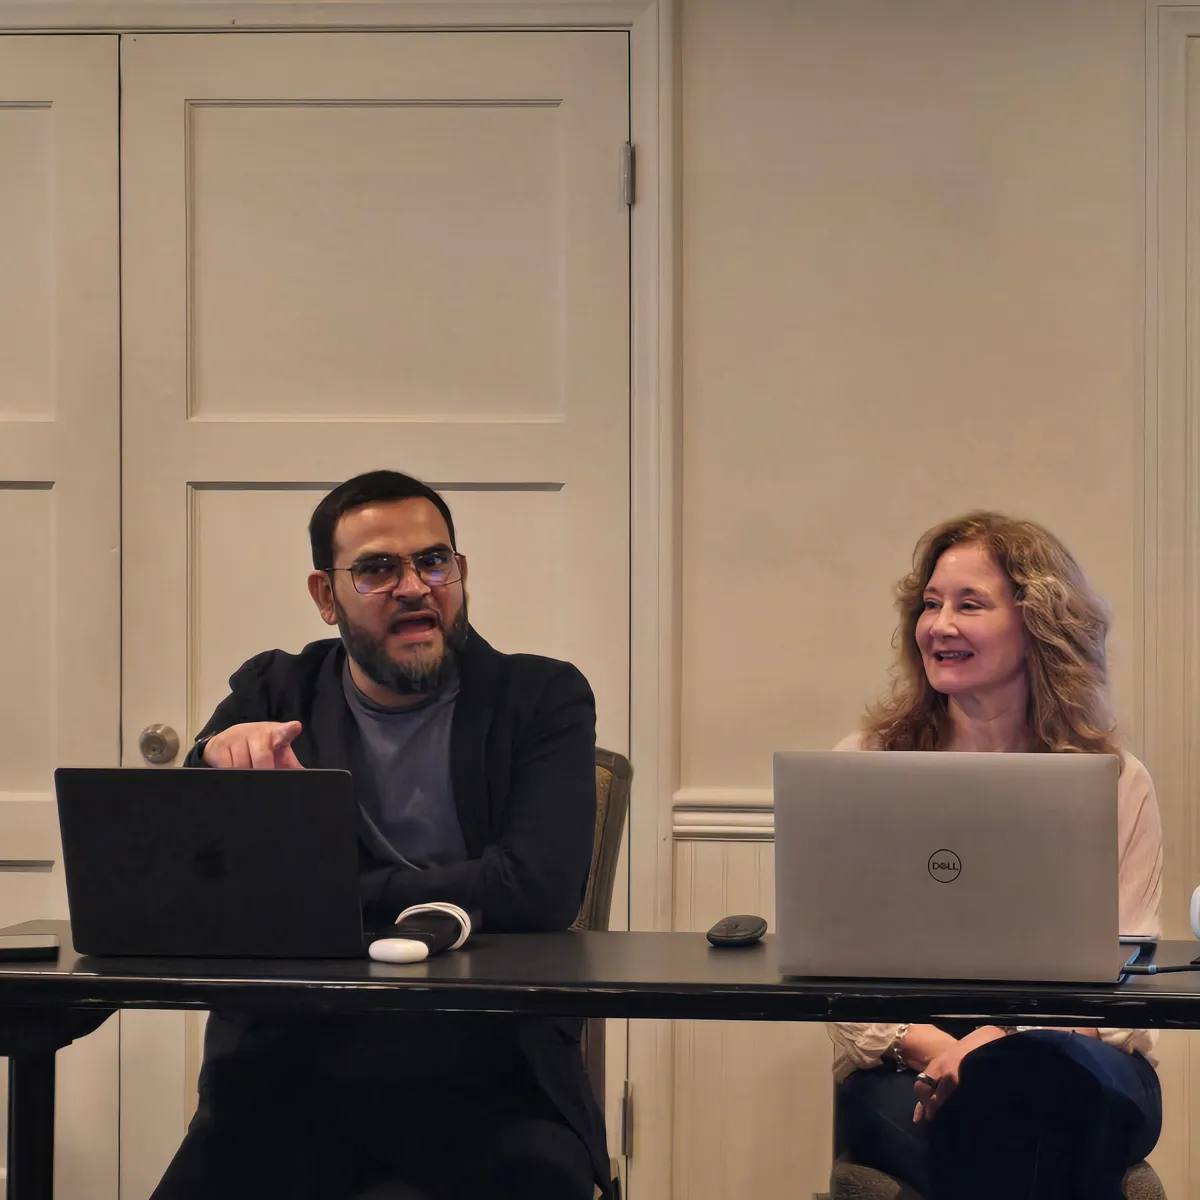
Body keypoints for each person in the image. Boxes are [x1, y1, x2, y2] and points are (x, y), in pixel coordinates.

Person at [151, 470, 609, 1200]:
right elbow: (194, 889)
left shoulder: (541, 698)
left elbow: (538, 891)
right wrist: (211, 759)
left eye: (434, 562)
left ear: (460, 573)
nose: (415, 586)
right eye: (377, 569)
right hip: (290, 1070)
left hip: (493, 1074)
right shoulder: (273, 692)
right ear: (326, 596)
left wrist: (328, 897)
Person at [827, 511, 1164, 1200]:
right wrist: (946, 1050)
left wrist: (998, 1041)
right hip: (904, 1061)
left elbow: (1129, 975)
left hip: (1081, 1054)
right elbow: (833, 969)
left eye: (968, 604)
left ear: (1038, 623)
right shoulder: (863, 768)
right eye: (929, 604)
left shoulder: (1117, 779)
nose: (938, 625)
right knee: (1016, 1125)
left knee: (1030, 1096)